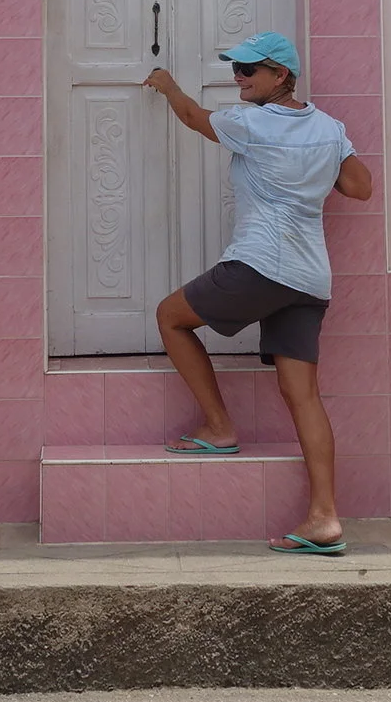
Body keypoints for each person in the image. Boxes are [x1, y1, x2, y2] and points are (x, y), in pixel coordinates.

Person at [142, 30, 373, 556]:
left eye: (250, 69)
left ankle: (219, 427)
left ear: (281, 76)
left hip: (262, 265)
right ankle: (325, 520)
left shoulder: (249, 123)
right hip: (310, 280)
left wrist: (168, 85)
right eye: (237, 68)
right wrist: (317, 165)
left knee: (170, 317)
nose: (239, 77)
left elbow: (194, 118)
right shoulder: (330, 128)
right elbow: (360, 187)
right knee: (304, 397)